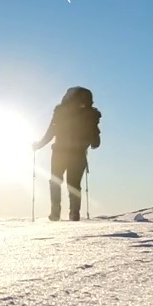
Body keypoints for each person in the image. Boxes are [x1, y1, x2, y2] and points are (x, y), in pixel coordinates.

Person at [32, 86, 101, 221]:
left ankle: (55, 213)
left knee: (55, 181)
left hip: (59, 153)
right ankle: (74, 213)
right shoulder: (91, 115)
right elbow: (96, 142)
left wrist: (39, 145)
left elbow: (50, 133)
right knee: (74, 184)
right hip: (79, 154)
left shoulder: (60, 112)